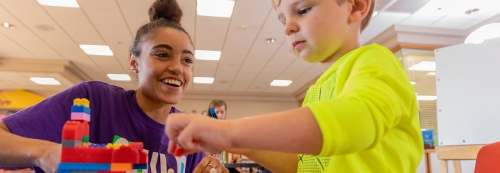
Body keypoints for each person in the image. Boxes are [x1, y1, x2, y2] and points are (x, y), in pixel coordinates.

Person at [164, 0, 423, 172]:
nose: (287, 27)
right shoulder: (315, 92)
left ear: (355, 6)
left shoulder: (374, 60)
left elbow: (354, 121)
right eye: (281, 20)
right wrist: (233, 144)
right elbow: (305, 165)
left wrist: (230, 131)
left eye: (303, 10)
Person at [0, 0, 228, 173]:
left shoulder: (187, 135)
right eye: (162, 54)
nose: (178, 68)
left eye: (187, 60)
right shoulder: (93, 100)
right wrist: (45, 153)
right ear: (133, 61)